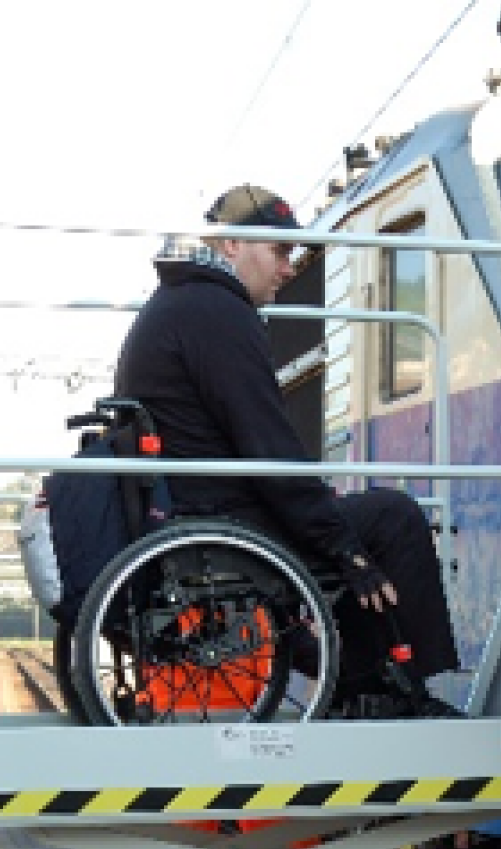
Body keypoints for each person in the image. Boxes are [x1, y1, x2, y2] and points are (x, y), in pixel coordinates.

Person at [113, 183, 460, 717]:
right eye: (279, 251)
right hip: (222, 520)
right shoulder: (217, 313)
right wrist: (346, 548)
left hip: (190, 509)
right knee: (393, 518)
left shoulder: (179, 303)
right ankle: (391, 693)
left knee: (345, 523)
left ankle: (358, 680)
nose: (289, 267)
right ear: (231, 245)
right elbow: (268, 447)